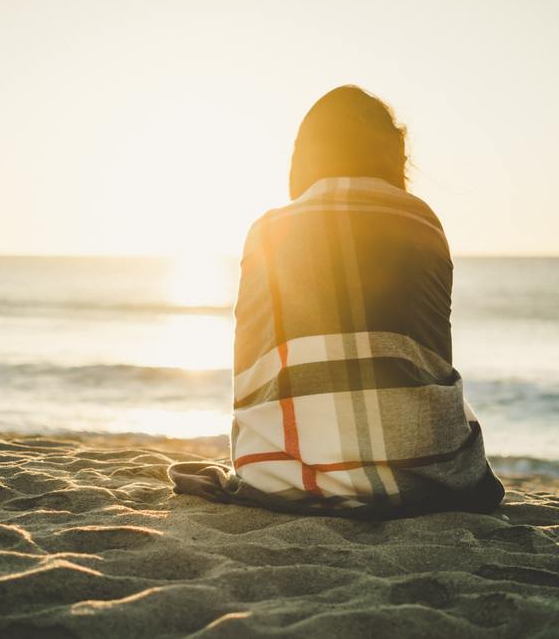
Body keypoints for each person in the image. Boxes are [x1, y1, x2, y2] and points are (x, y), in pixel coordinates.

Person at [169, 85, 504, 518]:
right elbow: (429, 356)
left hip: (282, 479)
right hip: (425, 475)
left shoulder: (268, 233)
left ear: (304, 156)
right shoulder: (420, 220)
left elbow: (250, 369)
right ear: (391, 154)